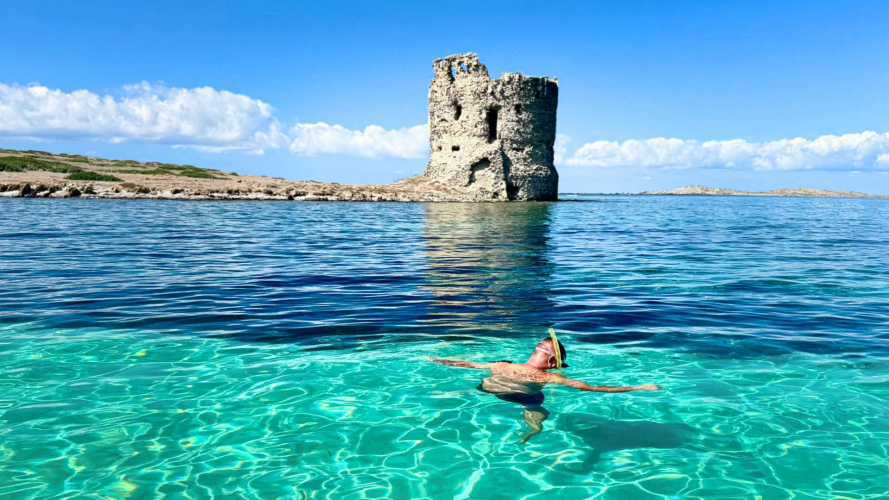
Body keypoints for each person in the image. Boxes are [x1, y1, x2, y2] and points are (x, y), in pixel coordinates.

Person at [428, 337, 661, 443]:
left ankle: (456, 395)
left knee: (483, 385)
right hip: (519, 396)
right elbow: (593, 389)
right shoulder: (547, 376)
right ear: (552, 363)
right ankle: (531, 429)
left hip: (487, 388)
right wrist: (639, 386)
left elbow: (465, 364)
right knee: (539, 405)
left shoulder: (500, 364)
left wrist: (437, 359)